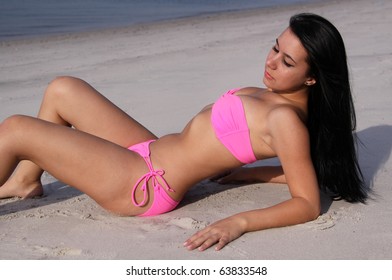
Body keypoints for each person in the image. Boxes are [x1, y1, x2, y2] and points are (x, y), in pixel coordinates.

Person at [0, 13, 367, 251]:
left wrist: (238, 222)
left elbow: (306, 203)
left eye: (286, 61)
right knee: (63, 88)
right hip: (149, 149)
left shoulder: (285, 119)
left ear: (312, 76)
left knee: (16, 129)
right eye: (275, 47)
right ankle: (26, 182)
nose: (271, 62)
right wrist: (250, 173)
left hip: (143, 183)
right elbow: (295, 165)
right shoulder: (276, 97)